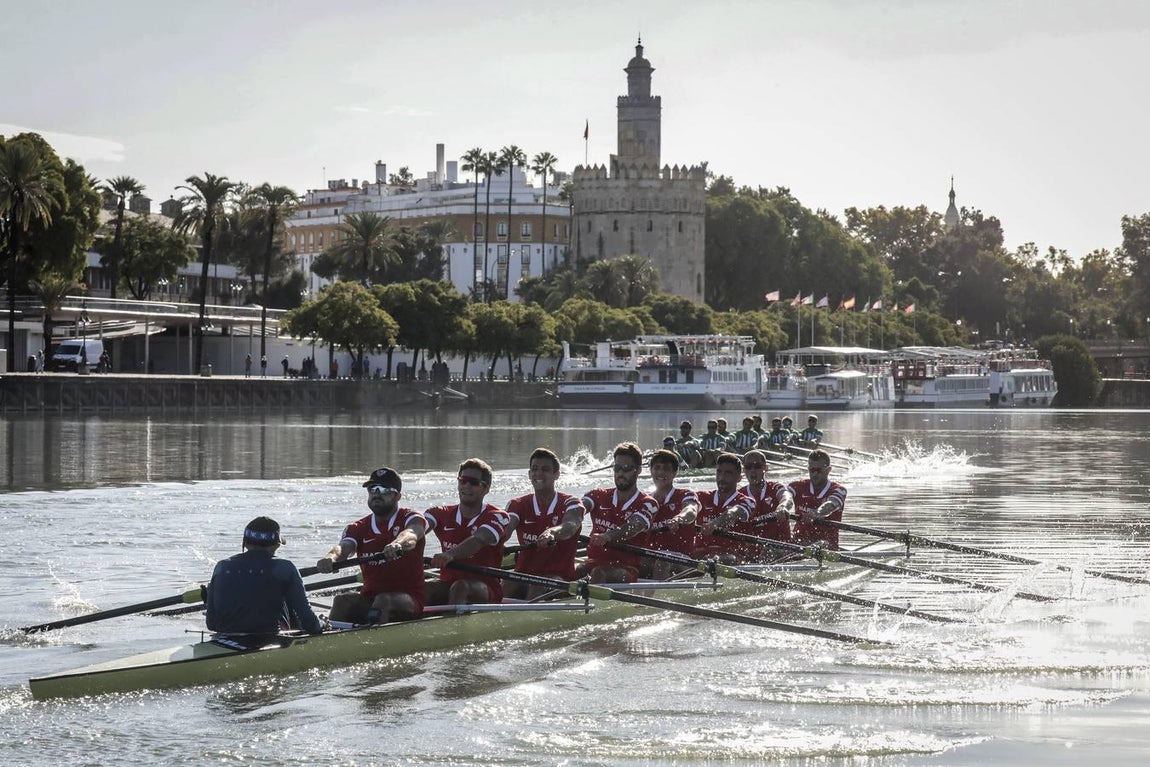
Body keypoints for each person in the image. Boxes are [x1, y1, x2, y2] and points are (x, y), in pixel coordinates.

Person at [316, 467, 427, 623]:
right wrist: (331, 558)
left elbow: (412, 534)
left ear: (398, 496)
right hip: (370, 598)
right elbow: (344, 548)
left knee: (384, 600)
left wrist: (397, 544)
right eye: (372, 489)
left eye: (384, 489)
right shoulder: (357, 527)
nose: (376, 494)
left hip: (409, 599)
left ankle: (372, 633)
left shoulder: (411, 517)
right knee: (342, 600)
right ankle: (330, 634)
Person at [205, 516, 324, 645]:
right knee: (286, 596)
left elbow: (211, 623)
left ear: (245, 543)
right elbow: (308, 620)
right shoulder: (285, 568)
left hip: (226, 639)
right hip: (269, 639)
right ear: (276, 545)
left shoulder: (222, 567)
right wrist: (322, 626)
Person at [503, 448, 585, 599]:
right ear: (529, 474)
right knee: (503, 586)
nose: (538, 474)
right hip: (524, 575)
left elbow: (570, 526)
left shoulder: (571, 503)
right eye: (534, 469)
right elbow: (505, 530)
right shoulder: (517, 504)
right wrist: (494, 540)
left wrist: (551, 533)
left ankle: (526, 612)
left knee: (537, 586)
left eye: (545, 470)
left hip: (560, 578)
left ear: (556, 474)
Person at [426, 458, 510, 604]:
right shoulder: (440, 513)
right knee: (425, 588)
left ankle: (452, 619)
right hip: (449, 583)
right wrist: (404, 542)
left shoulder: (498, 516)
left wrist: (450, 554)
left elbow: (479, 539)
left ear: (486, 488)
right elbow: (417, 529)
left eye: (474, 483)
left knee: (460, 587)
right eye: (463, 481)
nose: (467, 486)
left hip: (486, 589)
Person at [580, 442, 659, 583]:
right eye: (617, 468)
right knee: (567, 572)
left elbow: (633, 527)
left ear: (638, 470)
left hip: (626, 568)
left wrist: (608, 536)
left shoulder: (648, 503)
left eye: (626, 468)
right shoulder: (598, 495)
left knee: (598, 573)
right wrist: (569, 522)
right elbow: (578, 509)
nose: (621, 473)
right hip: (592, 562)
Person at [642, 448, 701, 578]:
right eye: (657, 468)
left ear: (674, 473)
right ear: (651, 470)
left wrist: (679, 518)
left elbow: (691, 511)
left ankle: (657, 590)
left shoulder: (686, 494)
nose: (660, 472)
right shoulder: (644, 500)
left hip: (682, 559)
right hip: (651, 556)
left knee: (662, 561)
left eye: (666, 469)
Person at [694, 452, 756, 562]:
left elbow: (734, 512)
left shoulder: (747, 501)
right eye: (719, 472)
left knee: (717, 559)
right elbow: (689, 509)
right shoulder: (701, 497)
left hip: (732, 556)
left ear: (739, 478)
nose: (721, 477)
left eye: (728, 473)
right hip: (700, 554)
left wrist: (715, 523)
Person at [739, 450, 794, 556]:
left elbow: (787, 497)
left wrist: (783, 506)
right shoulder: (740, 494)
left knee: (768, 552)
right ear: (743, 470)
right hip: (753, 550)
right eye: (748, 467)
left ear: (765, 468)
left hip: (780, 548)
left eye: (757, 466)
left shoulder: (775, 487)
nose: (752, 471)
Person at [789, 449, 846, 549]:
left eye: (819, 470)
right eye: (812, 470)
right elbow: (786, 497)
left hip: (826, 546)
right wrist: (782, 506)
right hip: (799, 543)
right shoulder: (797, 486)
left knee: (820, 545)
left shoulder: (838, 490)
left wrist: (817, 513)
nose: (815, 474)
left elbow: (832, 504)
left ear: (828, 470)